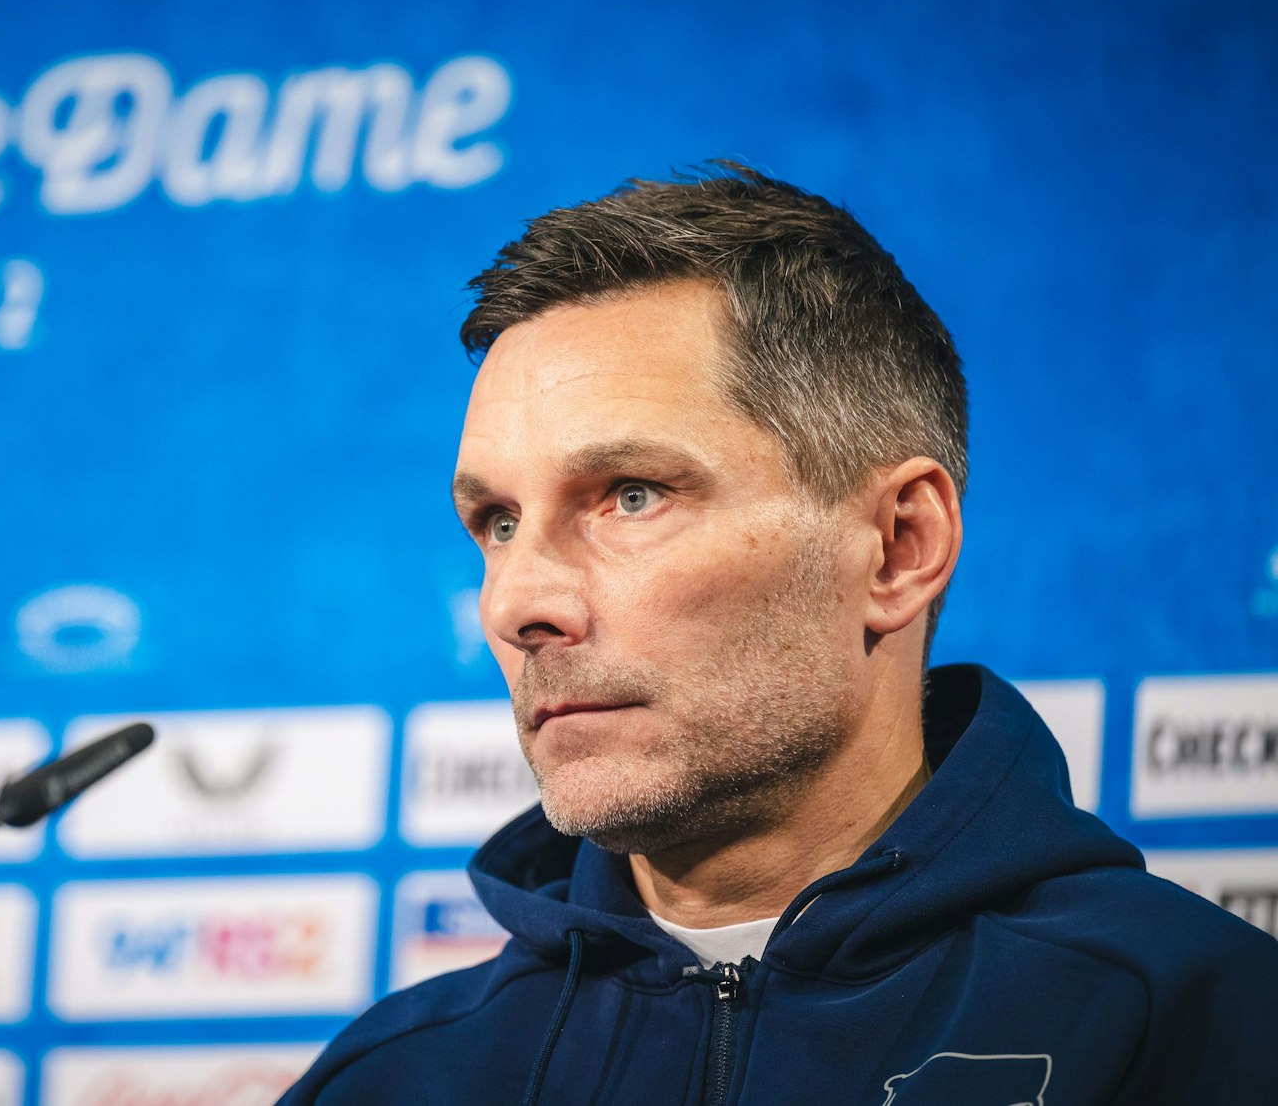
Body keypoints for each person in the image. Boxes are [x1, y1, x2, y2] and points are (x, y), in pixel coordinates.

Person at [280, 165, 1278, 1105]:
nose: (512, 604)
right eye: (497, 521)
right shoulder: (392, 1077)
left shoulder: (1204, 1028)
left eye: (629, 495)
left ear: (896, 546)